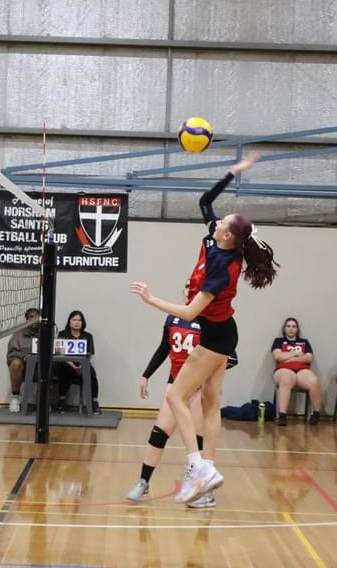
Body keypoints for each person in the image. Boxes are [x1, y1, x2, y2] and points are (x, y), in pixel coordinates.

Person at [130, 153, 278, 504]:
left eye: (222, 221)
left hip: (214, 336)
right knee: (211, 402)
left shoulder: (222, 270)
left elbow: (189, 311)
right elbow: (205, 201)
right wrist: (232, 171)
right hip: (225, 331)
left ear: (227, 235)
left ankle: (198, 467)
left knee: (175, 396)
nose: (216, 220)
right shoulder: (218, 237)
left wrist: (151, 300)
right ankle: (205, 480)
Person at [126, 282, 210, 508]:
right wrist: (146, 375)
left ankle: (201, 490)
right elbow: (164, 348)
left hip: (199, 388)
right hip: (175, 384)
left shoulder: (212, 321)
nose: (190, 290)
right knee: (159, 432)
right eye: (187, 287)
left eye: (196, 288)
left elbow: (229, 357)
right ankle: (143, 482)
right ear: (183, 292)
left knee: (197, 440)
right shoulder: (173, 317)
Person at [271, 318, 323, 426]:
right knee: (286, 379)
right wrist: (296, 353)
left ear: (297, 329)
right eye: (288, 326)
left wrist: (289, 357)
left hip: (302, 370)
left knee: (314, 381)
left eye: (294, 326)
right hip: (283, 370)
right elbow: (277, 356)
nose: (291, 329)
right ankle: (282, 416)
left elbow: (309, 358)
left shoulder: (304, 342)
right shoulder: (278, 341)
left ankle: (316, 414)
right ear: (284, 329)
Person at [55, 310, 100, 415]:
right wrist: (72, 365)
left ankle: (94, 402)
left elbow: (89, 354)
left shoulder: (88, 336)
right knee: (63, 370)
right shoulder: (62, 334)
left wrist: (80, 366)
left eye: (79, 320)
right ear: (69, 322)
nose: (77, 322)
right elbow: (61, 353)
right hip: (66, 363)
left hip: (82, 364)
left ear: (83, 322)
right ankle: (61, 401)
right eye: (74, 320)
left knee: (91, 372)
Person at [6, 308, 41, 413]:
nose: (34, 319)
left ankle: (43, 400)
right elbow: (11, 353)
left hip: (39, 366)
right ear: (26, 319)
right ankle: (15, 397)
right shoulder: (18, 334)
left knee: (50, 365)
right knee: (16, 363)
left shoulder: (45, 332)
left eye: (36, 317)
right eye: (31, 317)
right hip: (24, 367)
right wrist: (24, 356)